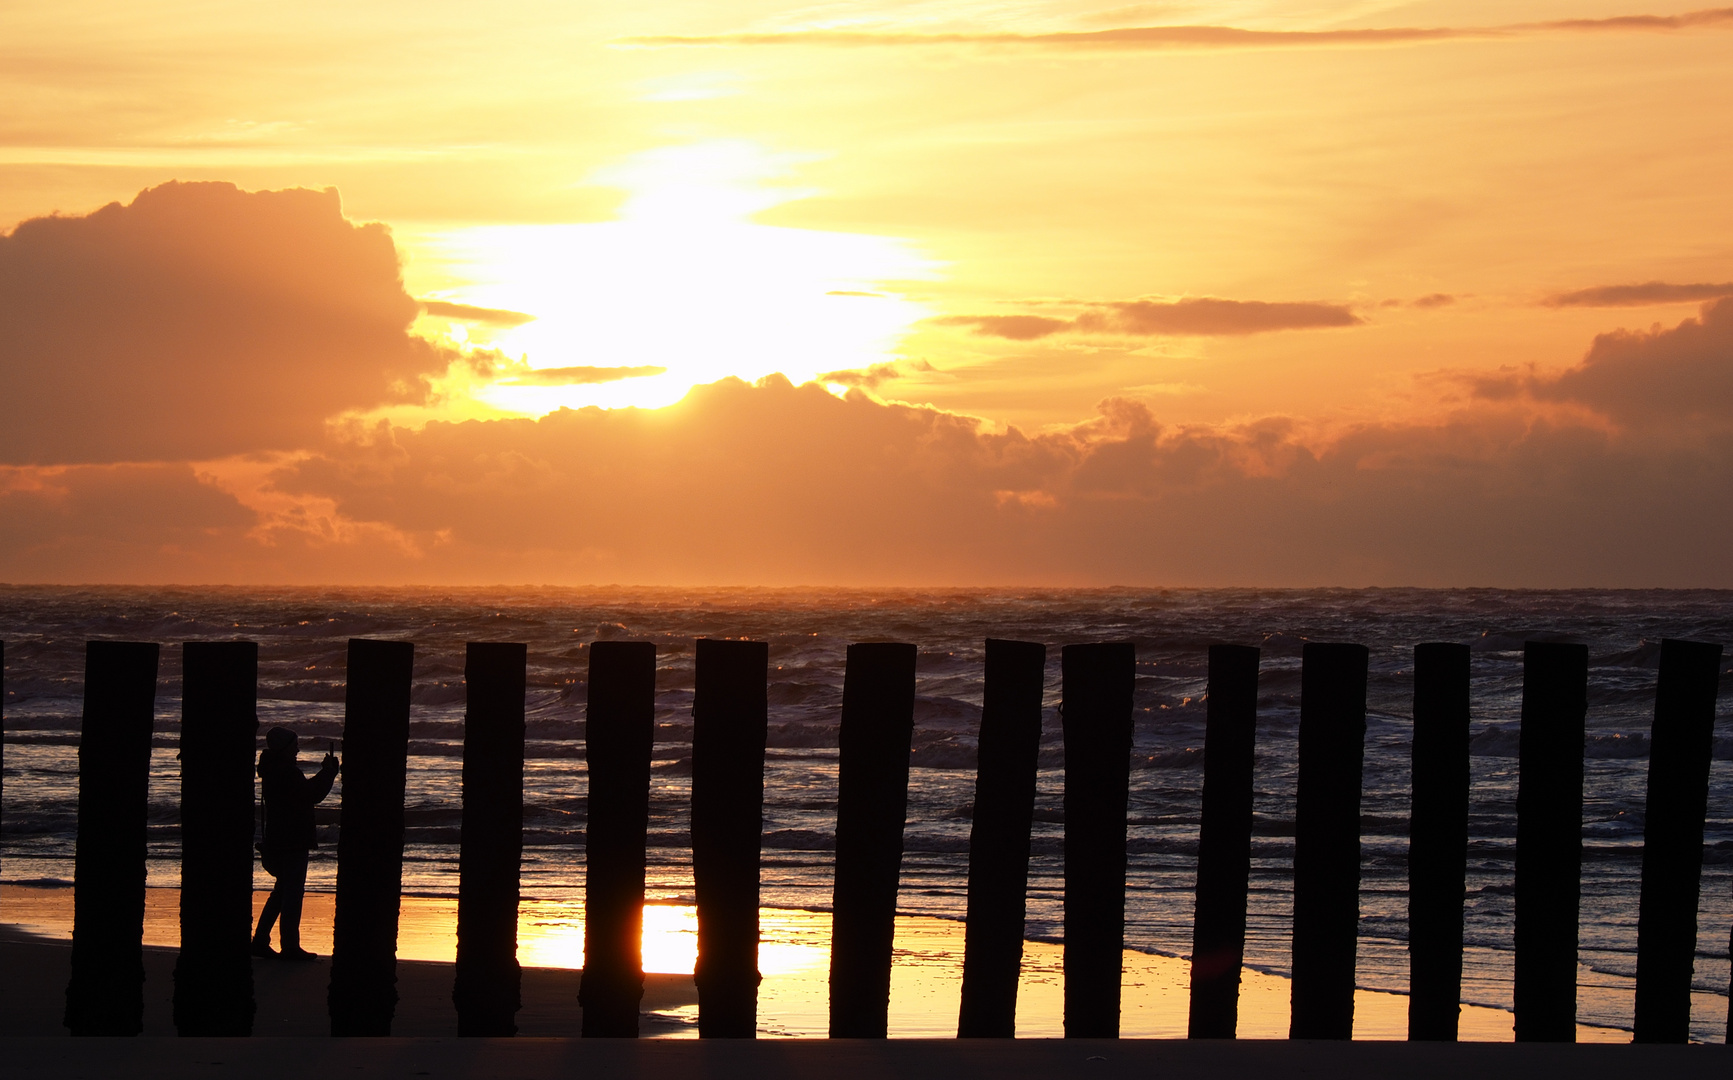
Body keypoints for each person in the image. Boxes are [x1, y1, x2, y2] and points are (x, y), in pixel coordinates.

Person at [252, 726, 339, 960]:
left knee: (282, 892)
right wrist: (328, 773)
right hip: (293, 839)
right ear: (285, 748)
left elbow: (304, 793)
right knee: (291, 894)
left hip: (279, 837)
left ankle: (260, 940)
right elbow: (310, 795)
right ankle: (289, 946)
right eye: (294, 745)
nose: (298, 748)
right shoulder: (287, 772)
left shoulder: (273, 770)